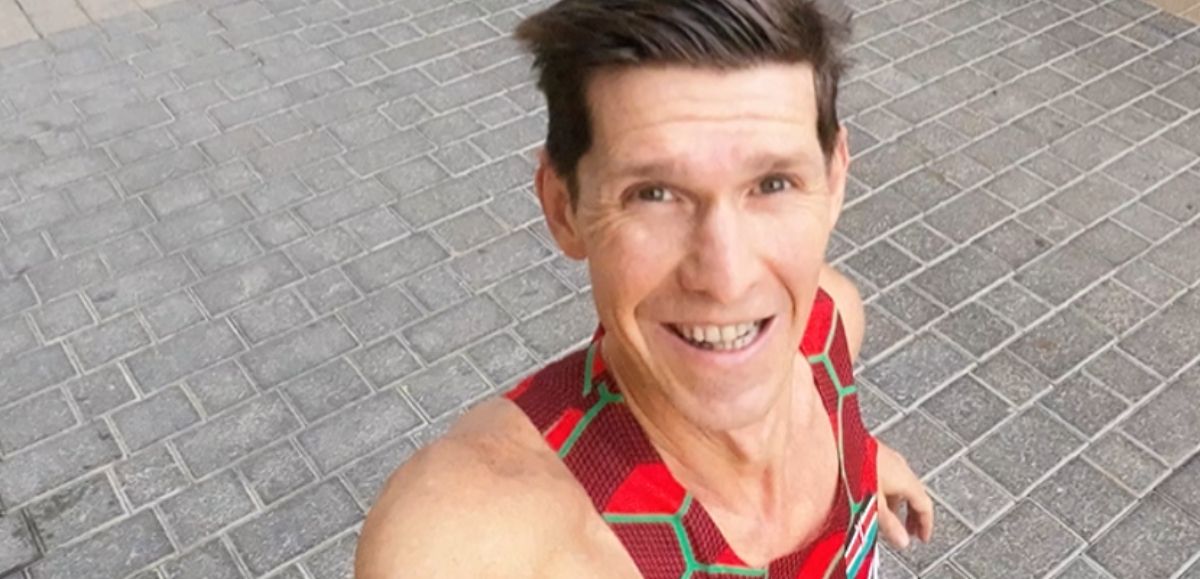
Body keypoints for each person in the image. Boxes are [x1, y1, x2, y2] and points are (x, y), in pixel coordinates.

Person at [356, 1, 934, 576]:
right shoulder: (477, 543)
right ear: (563, 208)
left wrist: (859, 462)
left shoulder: (830, 326)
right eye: (653, 194)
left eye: (773, 183)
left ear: (833, 181)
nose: (727, 280)